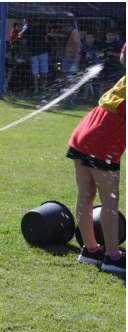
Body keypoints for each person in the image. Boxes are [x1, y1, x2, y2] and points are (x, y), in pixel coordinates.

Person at [67, 51, 124, 273]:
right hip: (104, 137)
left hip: (85, 128)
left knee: (85, 194)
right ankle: (112, 257)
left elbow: (124, 55)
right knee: (110, 199)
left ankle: (90, 250)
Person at [21, 20, 50, 93]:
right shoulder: (42, 30)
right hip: (43, 52)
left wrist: (26, 51)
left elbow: (24, 42)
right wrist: (49, 50)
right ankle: (44, 86)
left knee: (35, 71)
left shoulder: (28, 30)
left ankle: (36, 88)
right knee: (44, 70)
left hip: (33, 53)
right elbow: (46, 40)